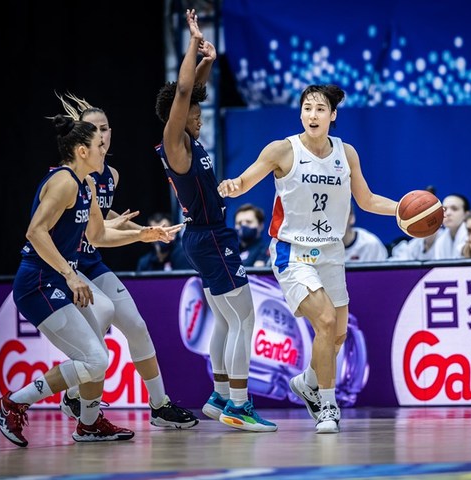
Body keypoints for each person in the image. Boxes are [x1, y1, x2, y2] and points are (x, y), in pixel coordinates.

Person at [0, 115, 181, 447]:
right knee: (94, 359)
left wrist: (141, 235)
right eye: (97, 144)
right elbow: (35, 232)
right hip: (37, 282)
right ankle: (11, 403)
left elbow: (99, 234)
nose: (103, 148)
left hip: (57, 280)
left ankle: (88, 424)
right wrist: (69, 274)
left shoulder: (86, 184)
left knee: (96, 354)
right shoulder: (63, 181)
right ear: (81, 150)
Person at [217, 83, 399, 434]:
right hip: (292, 250)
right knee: (326, 321)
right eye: (307, 108)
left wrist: (401, 212)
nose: (312, 114)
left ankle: (308, 382)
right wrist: (232, 186)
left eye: (320, 109)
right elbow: (246, 179)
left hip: (331, 251)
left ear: (333, 116)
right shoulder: (283, 150)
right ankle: (328, 407)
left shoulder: (346, 154)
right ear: (301, 113)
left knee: (339, 335)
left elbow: (367, 200)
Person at [154, 9, 276, 432]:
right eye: (192, 109)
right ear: (177, 113)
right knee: (246, 318)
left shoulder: (187, 139)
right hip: (210, 238)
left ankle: (220, 395)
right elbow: (184, 89)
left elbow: (195, 86)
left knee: (226, 319)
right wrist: (193, 40)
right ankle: (240, 406)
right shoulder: (175, 143)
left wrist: (207, 59)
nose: (199, 112)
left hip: (203, 237)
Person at [56, 93, 198, 429]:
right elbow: (90, 229)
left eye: (105, 128)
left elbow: (102, 218)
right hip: (68, 268)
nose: (101, 135)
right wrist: (137, 235)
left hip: (93, 263)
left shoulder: (110, 175)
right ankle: (81, 408)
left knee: (136, 326)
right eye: (93, 129)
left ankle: (159, 406)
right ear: (80, 137)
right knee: (98, 334)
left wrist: (146, 230)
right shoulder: (71, 176)